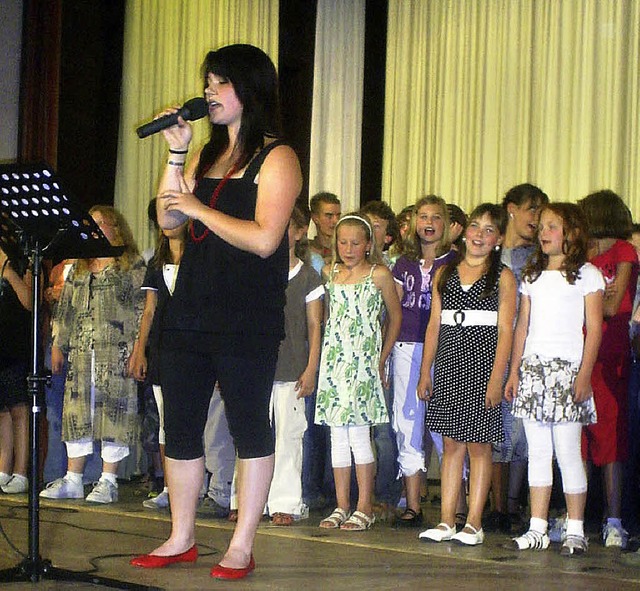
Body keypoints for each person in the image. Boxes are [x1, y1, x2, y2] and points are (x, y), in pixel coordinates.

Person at [129, 44, 302, 580]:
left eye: (219, 83)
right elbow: (168, 223)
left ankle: (241, 545)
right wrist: (177, 154)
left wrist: (199, 205)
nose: (208, 93)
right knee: (179, 426)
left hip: (246, 313)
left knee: (250, 425)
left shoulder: (279, 157)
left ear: (249, 90)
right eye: (206, 83)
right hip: (191, 308)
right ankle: (181, 536)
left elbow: (266, 239)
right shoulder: (205, 155)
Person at [506, 203, 604, 556]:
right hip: (534, 371)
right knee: (538, 453)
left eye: (552, 226)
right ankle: (538, 527)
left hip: (568, 372)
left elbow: (594, 330)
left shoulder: (587, 275)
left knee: (567, 452)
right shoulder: (532, 276)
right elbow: (523, 326)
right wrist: (515, 370)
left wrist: (584, 374)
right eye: (542, 226)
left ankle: (576, 529)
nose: (544, 232)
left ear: (572, 234)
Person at [418, 203, 516, 546]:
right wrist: (425, 372)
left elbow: (506, 330)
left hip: (482, 366)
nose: (479, 235)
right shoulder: (445, 273)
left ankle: (474, 522)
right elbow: (434, 325)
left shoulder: (503, 276)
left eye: (489, 230)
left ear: (499, 239)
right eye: (475, 226)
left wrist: (496, 378)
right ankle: (447, 520)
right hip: (448, 365)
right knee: (450, 444)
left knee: (479, 446)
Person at [40, 205, 145, 504]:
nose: (94, 228)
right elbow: (65, 310)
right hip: (82, 356)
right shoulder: (80, 269)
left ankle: (108, 480)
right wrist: (59, 345)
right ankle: (73, 479)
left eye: (100, 223)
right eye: (90, 223)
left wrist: (138, 350)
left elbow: (142, 311)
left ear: (116, 227)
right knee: (76, 415)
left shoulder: (131, 266)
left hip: (116, 354)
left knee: (113, 414)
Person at [316, 213, 402, 531]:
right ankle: (342, 505)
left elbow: (395, 317)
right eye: (343, 242)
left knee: (360, 437)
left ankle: (365, 506)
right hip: (335, 366)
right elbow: (327, 319)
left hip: (364, 366)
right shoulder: (329, 273)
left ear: (368, 245)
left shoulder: (378, 275)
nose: (348, 248)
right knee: (337, 437)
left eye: (355, 243)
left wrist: (381, 357)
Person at [486, 183, 548, 533]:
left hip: (524, 350)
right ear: (511, 208)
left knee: (521, 431)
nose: (535, 218)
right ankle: (493, 505)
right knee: (494, 427)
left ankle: (512, 505)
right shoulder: (492, 252)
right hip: (490, 348)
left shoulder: (535, 256)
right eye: (531, 209)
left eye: (540, 211)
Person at [391, 195, 455, 526]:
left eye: (436, 217)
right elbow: (393, 309)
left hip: (445, 350)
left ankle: (455, 506)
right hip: (406, 348)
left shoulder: (456, 261)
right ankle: (413, 504)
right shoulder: (403, 263)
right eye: (423, 216)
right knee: (408, 424)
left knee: (446, 425)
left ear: (446, 224)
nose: (428, 223)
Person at [579, 190, 638, 549]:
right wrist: (598, 297)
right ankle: (577, 515)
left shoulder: (623, 251)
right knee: (578, 436)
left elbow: (614, 307)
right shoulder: (580, 253)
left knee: (610, 435)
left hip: (609, 350)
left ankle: (613, 518)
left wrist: (594, 300)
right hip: (577, 346)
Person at [267, 205, 324, 525]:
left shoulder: (308, 276)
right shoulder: (257, 270)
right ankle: (245, 496)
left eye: (286, 225)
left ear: (300, 232)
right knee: (252, 436)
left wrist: (311, 368)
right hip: (258, 366)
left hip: (292, 367)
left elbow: (315, 325)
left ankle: (285, 502)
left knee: (288, 436)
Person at [128, 221, 188, 509]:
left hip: (192, 347)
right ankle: (170, 486)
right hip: (163, 349)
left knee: (190, 420)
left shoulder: (199, 258)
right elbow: (149, 310)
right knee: (165, 421)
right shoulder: (157, 262)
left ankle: (196, 486)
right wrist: (140, 350)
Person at [0, 248, 32, 494]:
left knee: (19, 410)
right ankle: (3, 468)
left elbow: (30, 302)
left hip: (16, 344)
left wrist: (8, 271)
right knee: (2, 413)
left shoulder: (25, 257)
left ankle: (21, 472)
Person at [309, 192, 341, 263]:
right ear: (315, 218)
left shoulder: (346, 250)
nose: (336, 221)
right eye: (329, 216)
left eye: (338, 216)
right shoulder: (306, 250)